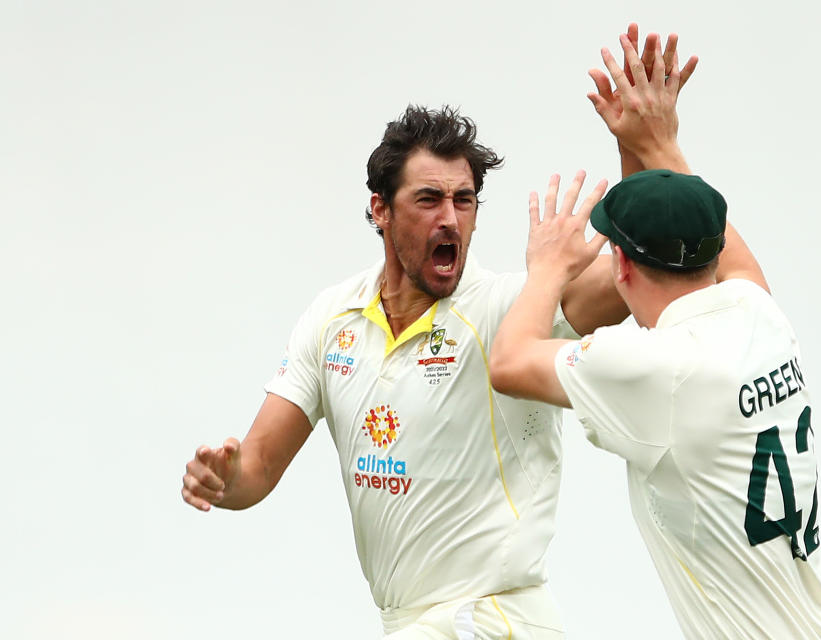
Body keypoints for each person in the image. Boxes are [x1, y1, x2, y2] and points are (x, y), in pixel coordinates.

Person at [181, 26, 694, 638]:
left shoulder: (513, 309)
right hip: (407, 622)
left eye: (465, 199)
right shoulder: (332, 317)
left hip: (494, 619)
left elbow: (645, 266)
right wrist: (225, 480)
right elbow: (258, 466)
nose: (450, 217)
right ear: (380, 209)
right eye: (428, 199)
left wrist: (640, 146)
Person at [489, 34, 821, 639]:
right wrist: (654, 142)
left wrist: (548, 269)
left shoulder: (655, 369)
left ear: (622, 268)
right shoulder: (759, 316)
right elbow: (732, 260)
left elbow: (508, 361)